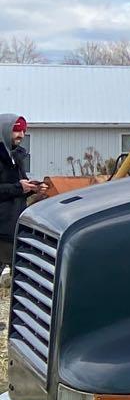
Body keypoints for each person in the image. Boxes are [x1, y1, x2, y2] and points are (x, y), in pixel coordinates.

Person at [0, 114, 48, 279]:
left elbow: (19, 184)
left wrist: (33, 188)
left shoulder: (17, 156)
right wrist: (18, 187)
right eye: (16, 130)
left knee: (20, 279)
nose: (21, 135)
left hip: (15, 227)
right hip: (1, 230)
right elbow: (14, 186)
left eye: (23, 131)